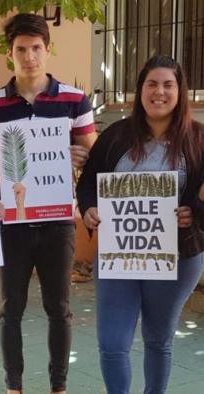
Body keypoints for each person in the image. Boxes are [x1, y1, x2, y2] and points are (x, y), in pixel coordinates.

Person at [0, 13, 97, 394]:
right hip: (11, 222)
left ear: (48, 49)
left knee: (58, 309)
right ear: (9, 53)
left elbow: (90, 156)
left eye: (36, 48)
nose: (29, 56)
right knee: (9, 308)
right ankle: (15, 387)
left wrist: (79, 157)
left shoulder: (75, 100)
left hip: (58, 220)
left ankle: (58, 386)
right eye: (21, 49)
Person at [77, 55, 204, 394]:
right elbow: (88, 183)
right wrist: (89, 209)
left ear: (180, 92)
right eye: (152, 84)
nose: (159, 92)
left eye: (168, 84)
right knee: (113, 342)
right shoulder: (116, 135)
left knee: (158, 339)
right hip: (118, 256)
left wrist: (194, 212)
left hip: (177, 257)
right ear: (140, 90)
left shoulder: (198, 139)